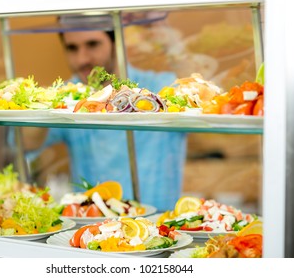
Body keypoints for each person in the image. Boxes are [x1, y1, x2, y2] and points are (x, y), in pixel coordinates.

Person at [21, 24, 187, 212]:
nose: (82, 58)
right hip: (92, 225)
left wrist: (176, 50)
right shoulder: (68, 94)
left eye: (92, 44)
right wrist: (41, 104)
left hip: (158, 223)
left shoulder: (162, 85)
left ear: (118, 43)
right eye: (72, 48)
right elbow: (25, 145)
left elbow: (210, 107)